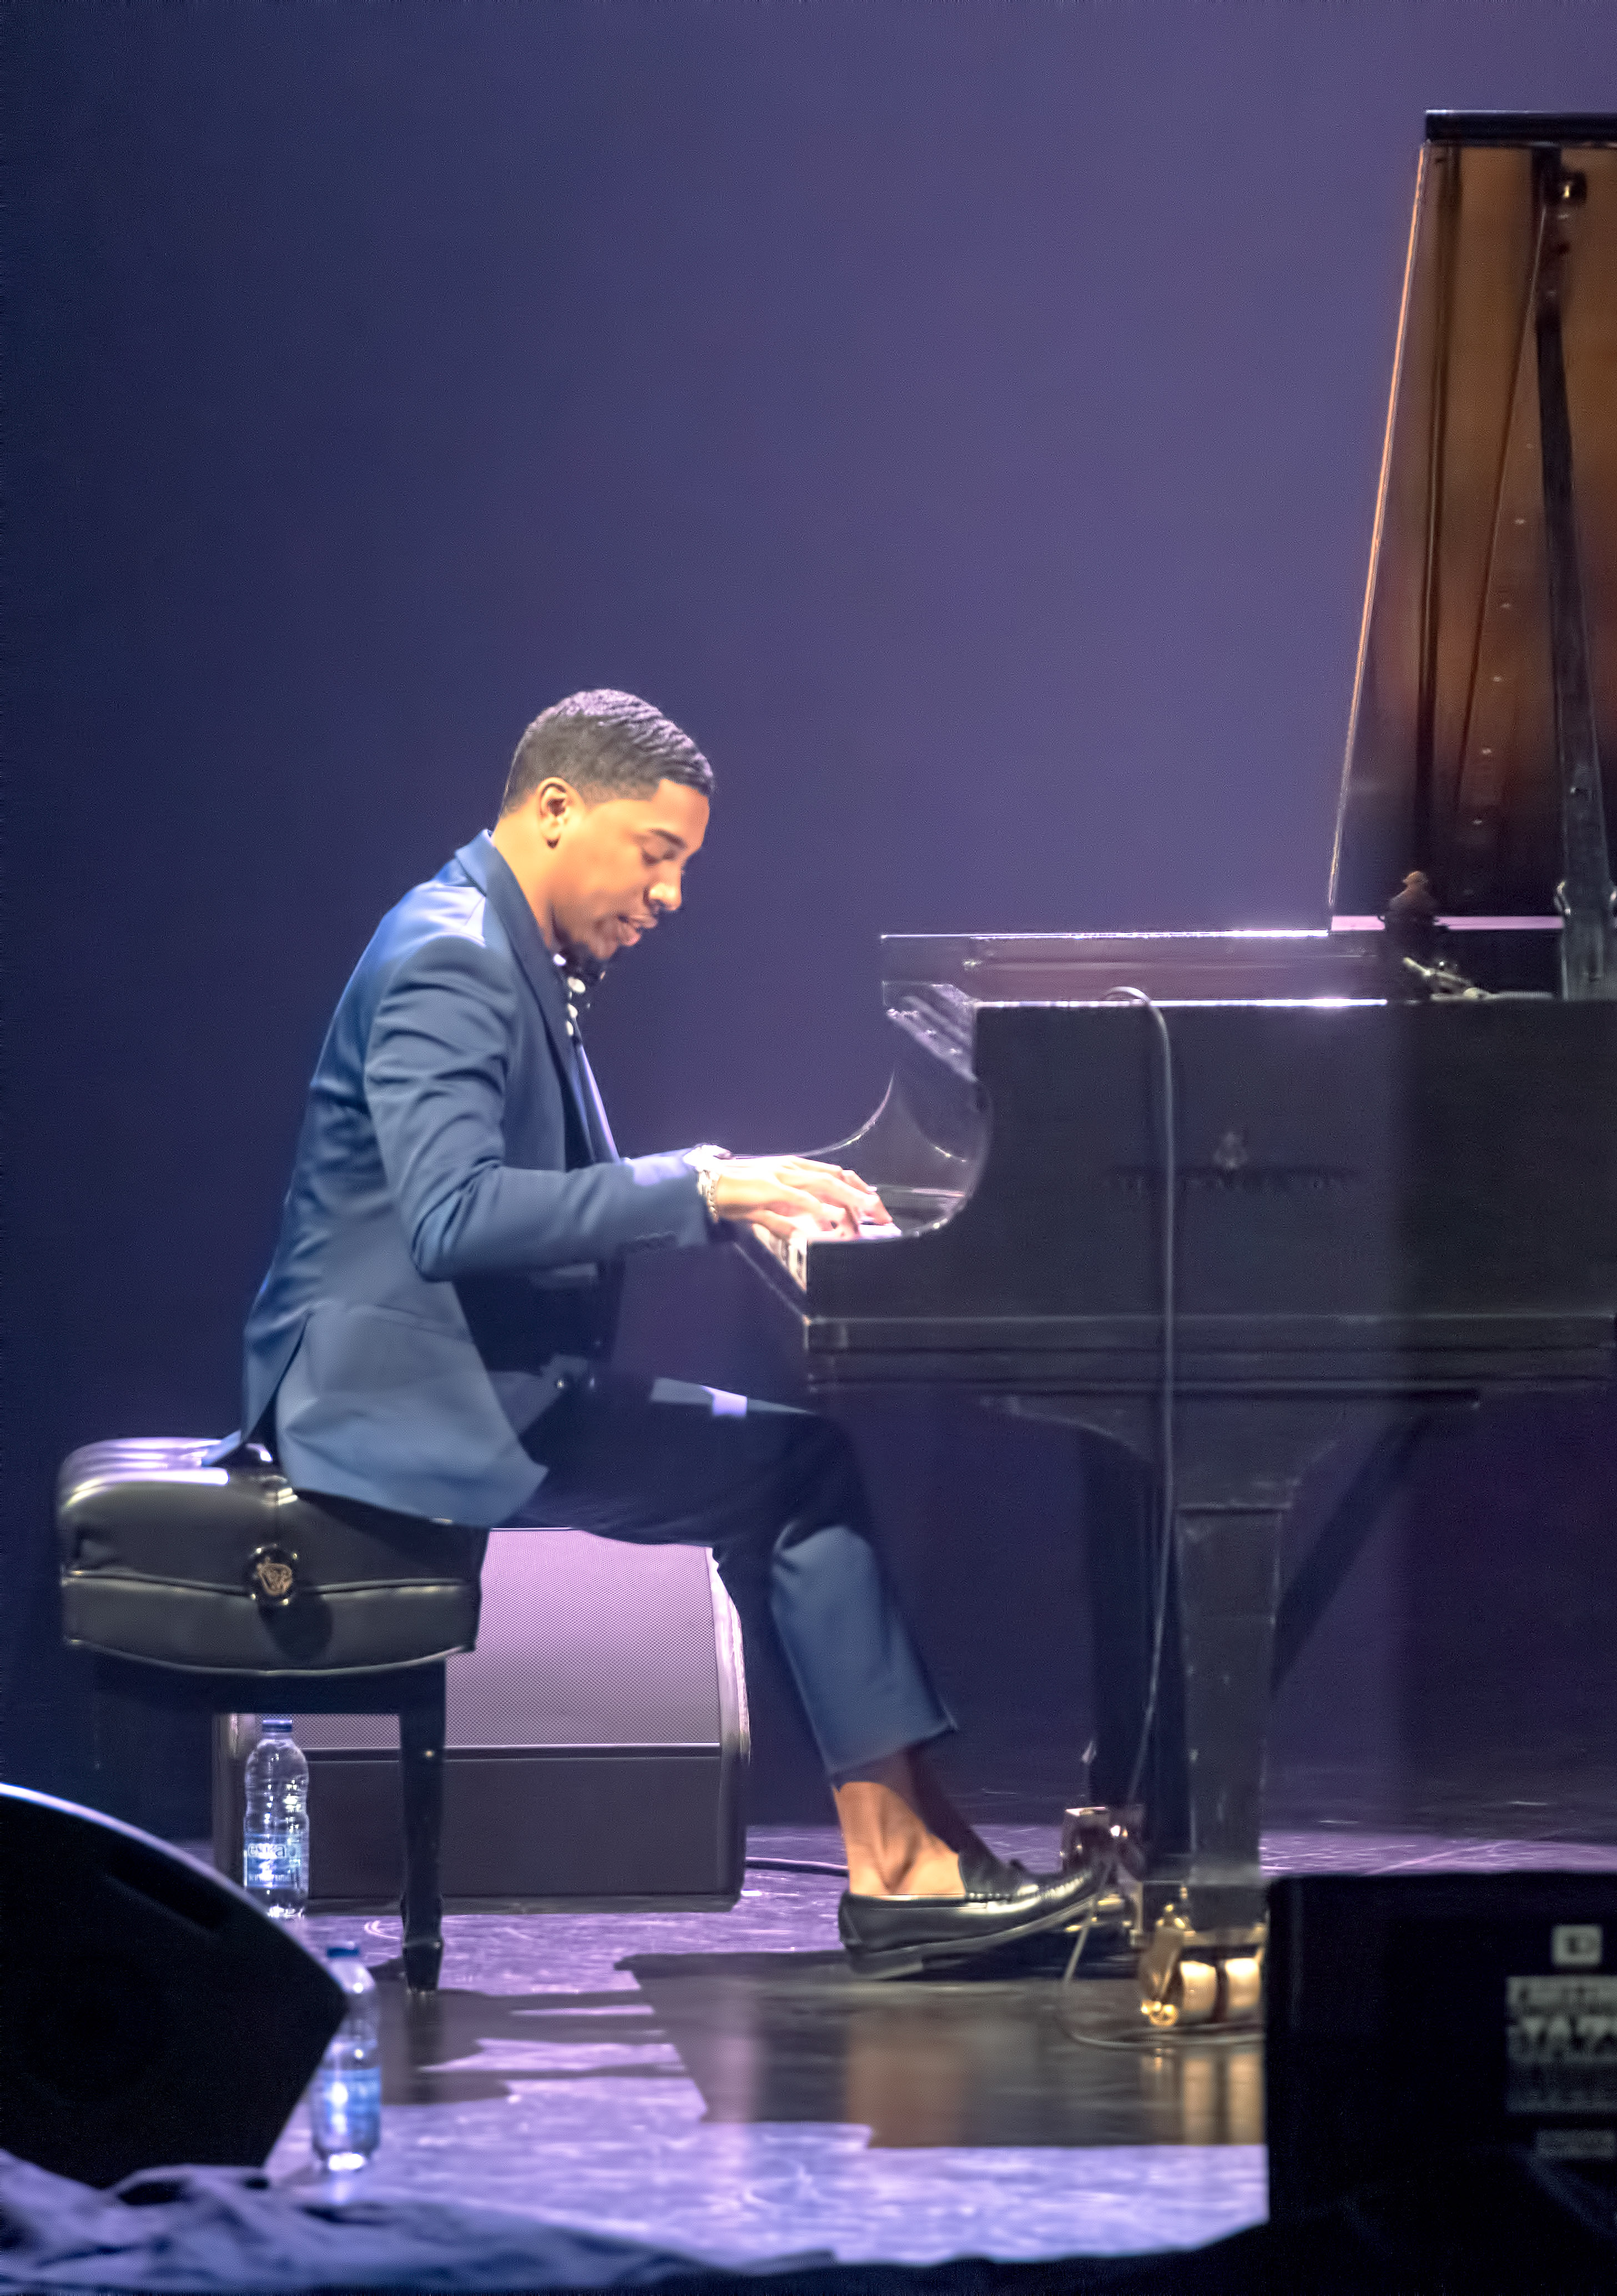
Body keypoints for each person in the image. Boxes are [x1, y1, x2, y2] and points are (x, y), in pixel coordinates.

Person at [240, 689, 1099, 1977]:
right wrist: (702, 1186)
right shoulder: (454, 954)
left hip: (446, 1381)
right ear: (554, 809)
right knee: (797, 1473)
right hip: (392, 1408)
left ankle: (920, 1848)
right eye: (659, 854)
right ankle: (909, 1868)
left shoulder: (495, 939)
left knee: (791, 1469)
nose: (672, 895)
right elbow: (452, 1216)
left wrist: (719, 1186)